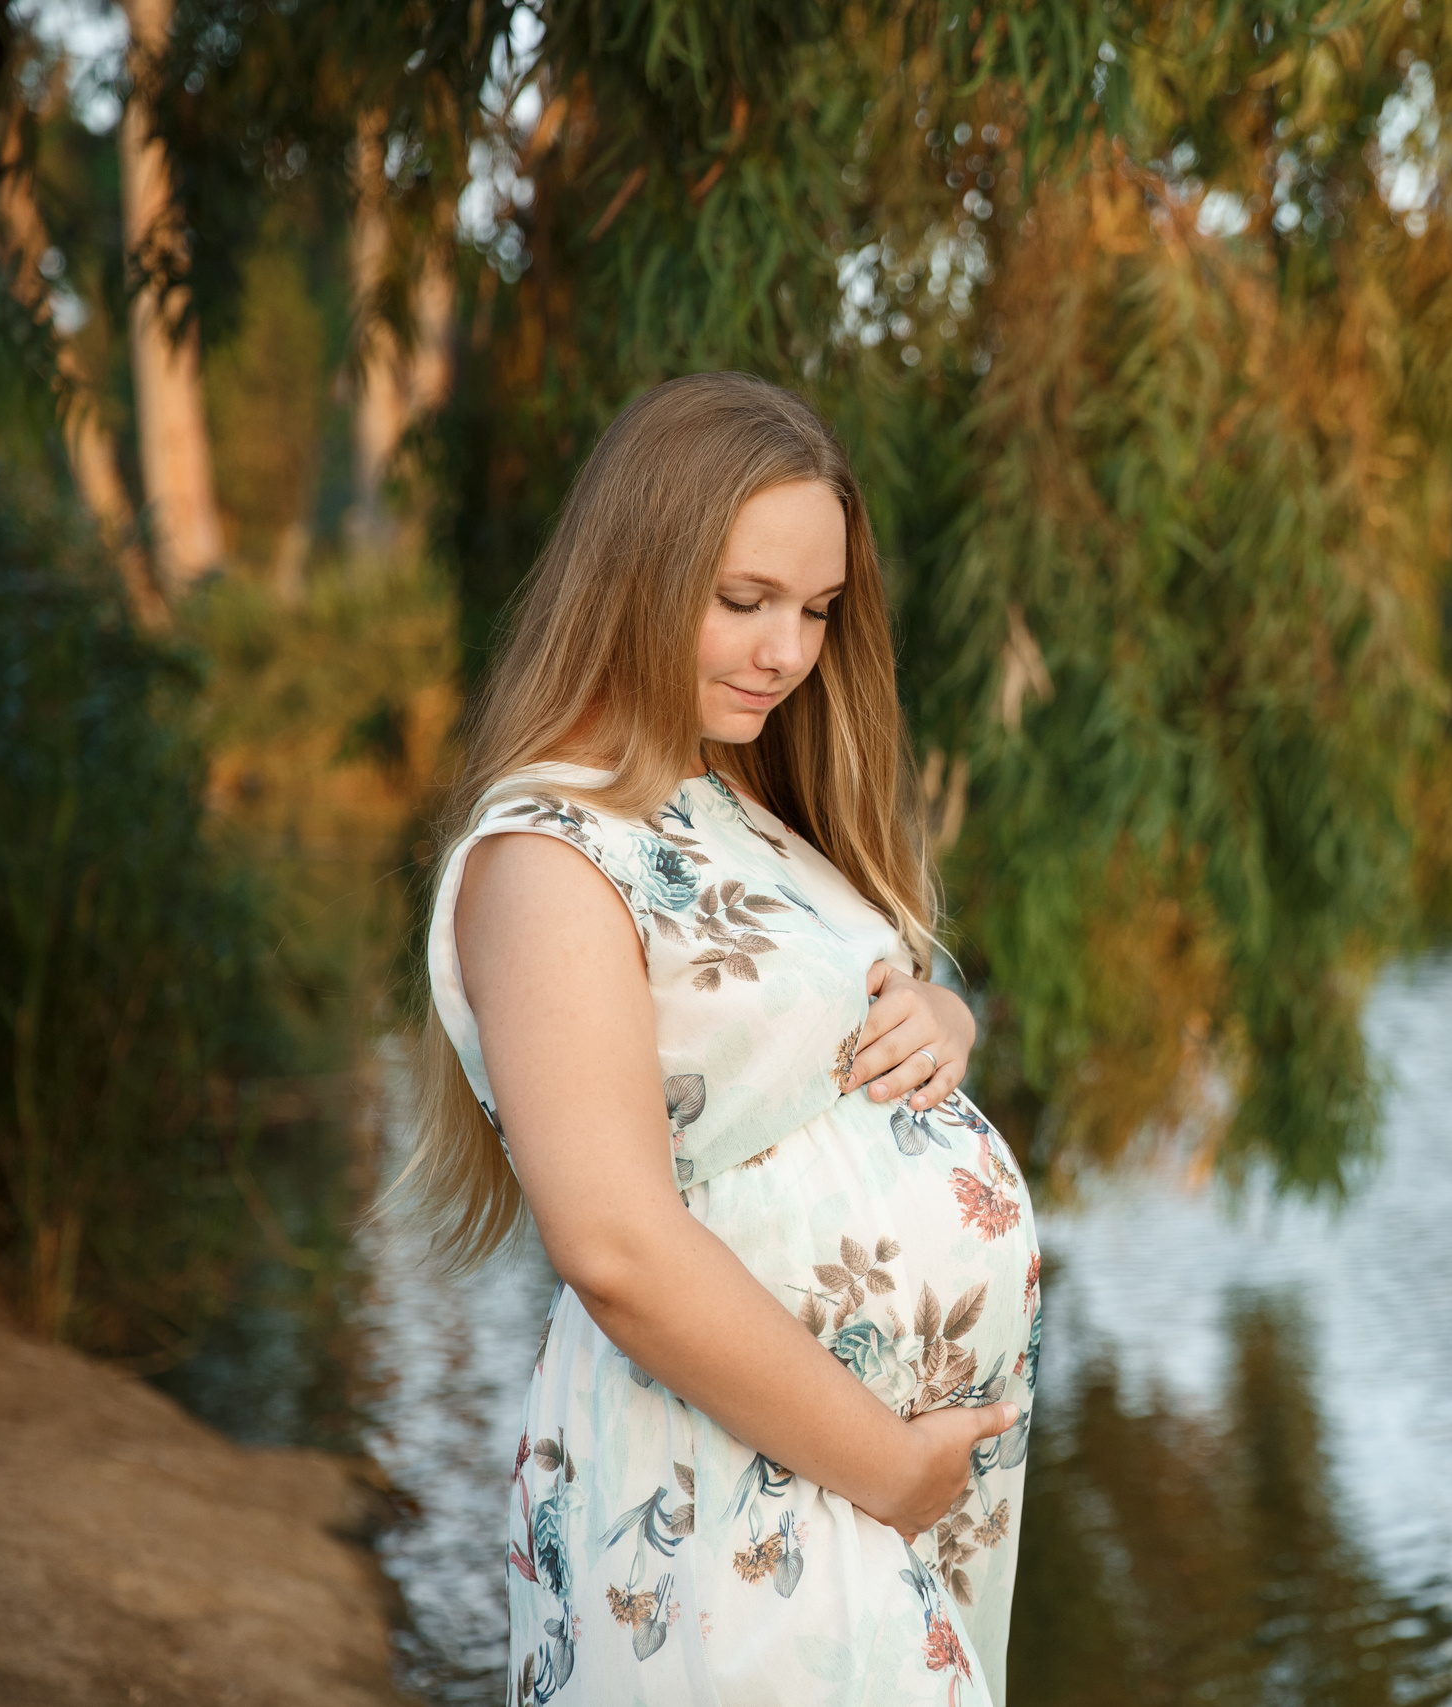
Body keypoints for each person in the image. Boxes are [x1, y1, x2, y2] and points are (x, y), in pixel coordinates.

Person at [391, 372, 1040, 1705]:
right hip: (727, 1493)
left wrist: (946, 1010)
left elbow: (870, 982)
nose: (785, 653)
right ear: (633, 573)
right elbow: (618, 1247)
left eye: (816, 611)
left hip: (850, 1486)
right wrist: (887, 1466)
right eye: (743, 603)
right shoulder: (547, 859)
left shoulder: (729, 792)